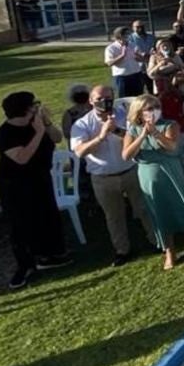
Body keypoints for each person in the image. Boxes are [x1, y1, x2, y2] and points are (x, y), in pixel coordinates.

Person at [70, 85, 152, 267]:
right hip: (103, 178)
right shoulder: (82, 124)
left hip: (130, 170)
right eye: (99, 98)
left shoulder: (125, 115)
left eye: (108, 97)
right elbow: (80, 152)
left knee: (144, 208)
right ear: (91, 101)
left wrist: (116, 130)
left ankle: (156, 240)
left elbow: (139, 139)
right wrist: (100, 136)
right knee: (114, 216)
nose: (104, 102)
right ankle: (122, 250)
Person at [0, 92, 73, 289]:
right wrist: (38, 132)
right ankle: (25, 265)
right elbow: (22, 158)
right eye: (33, 105)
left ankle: (50, 254)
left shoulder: (38, 123)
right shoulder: (5, 133)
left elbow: (56, 138)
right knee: (20, 223)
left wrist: (46, 124)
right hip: (15, 184)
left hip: (40, 177)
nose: (37, 107)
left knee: (47, 214)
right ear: (24, 110)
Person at [122, 94, 184, 271]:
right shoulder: (133, 130)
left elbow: (172, 146)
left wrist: (156, 133)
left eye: (156, 107)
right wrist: (143, 134)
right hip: (149, 176)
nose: (154, 111)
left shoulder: (170, 124)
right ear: (139, 112)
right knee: (160, 212)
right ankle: (169, 251)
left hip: (172, 172)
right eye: (149, 108)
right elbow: (126, 155)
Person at [105, 26, 144, 98]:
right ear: (119, 36)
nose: (127, 36)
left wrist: (138, 56)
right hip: (122, 77)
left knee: (139, 97)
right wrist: (122, 55)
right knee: (125, 99)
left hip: (136, 75)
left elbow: (141, 59)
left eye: (128, 34)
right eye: (125, 34)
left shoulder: (133, 44)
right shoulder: (111, 48)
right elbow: (109, 63)